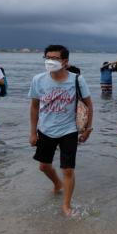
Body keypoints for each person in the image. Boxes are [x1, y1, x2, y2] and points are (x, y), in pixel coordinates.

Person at [28, 45, 93, 216]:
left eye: (54, 58)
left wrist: (87, 129)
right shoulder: (38, 80)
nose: (50, 61)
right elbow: (34, 107)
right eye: (47, 57)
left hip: (69, 130)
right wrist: (33, 132)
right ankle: (57, 184)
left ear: (65, 61)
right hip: (45, 129)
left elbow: (88, 104)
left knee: (68, 169)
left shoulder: (77, 80)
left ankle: (66, 205)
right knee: (43, 166)